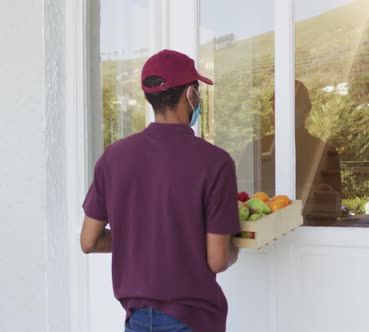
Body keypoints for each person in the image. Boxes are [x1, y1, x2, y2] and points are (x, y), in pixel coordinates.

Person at [79, 49, 241, 332]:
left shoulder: (113, 157)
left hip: (137, 320)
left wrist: (142, 240)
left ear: (148, 97)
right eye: (198, 91)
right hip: (193, 319)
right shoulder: (216, 162)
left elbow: (89, 241)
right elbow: (217, 260)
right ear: (191, 94)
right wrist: (235, 247)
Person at [236, 80, 342, 225]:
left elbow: (333, 211)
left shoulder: (325, 152)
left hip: (312, 235)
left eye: (293, 103)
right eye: (277, 105)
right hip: (261, 238)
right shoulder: (255, 150)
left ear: (308, 108)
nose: (283, 110)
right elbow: (238, 201)